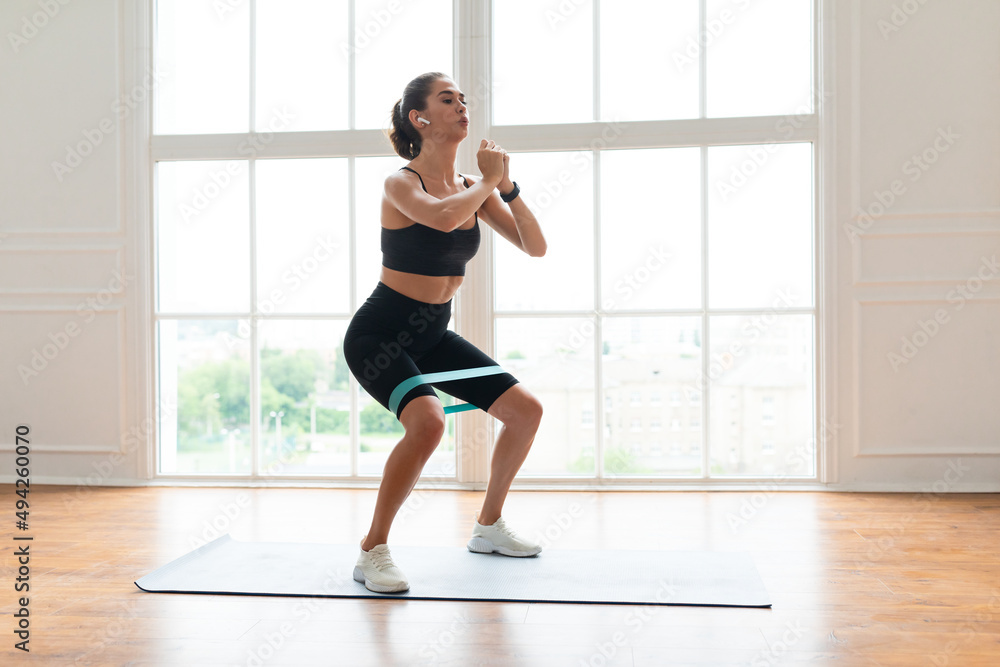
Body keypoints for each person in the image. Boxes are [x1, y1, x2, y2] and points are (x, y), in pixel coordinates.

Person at [344, 72, 548, 593]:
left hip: (432, 334)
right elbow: (439, 220)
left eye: (464, 100)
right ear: (420, 118)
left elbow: (534, 245)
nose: (462, 107)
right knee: (429, 423)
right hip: (380, 334)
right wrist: (484, 183)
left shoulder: (470, 190)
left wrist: (506, 187)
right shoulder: (401, 183)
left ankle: (488, 528)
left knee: (525, 411)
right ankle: (373, 551)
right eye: (447, 100)